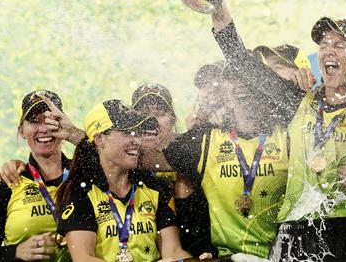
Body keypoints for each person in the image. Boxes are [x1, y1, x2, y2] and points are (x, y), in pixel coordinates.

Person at [198, 0, 346, 261]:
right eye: (322, 45)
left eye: (339, 45)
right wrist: (217, 2)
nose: (327, 51)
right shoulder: (299, 103)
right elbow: (241, 60)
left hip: (344, 231)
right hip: (290, 232)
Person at [139, 62, 291, 259]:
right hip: (226, 257)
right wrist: (93, 144)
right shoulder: (205, 138)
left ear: (262, 84)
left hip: (280, 256)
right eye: (232, 79)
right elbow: (143, 159)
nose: (240, 85)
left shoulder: (289, 134)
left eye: (246, 78)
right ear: (226, 91)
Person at [56, 99, 191, 261]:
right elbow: (84, 258)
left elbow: (174, 252)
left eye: (137, 132)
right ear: (99, 139)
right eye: (127, 132)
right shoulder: (80, 193)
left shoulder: (154, 188)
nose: (137, 140)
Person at [0, 90, 72, 261]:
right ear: (22, 131)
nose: (44, 129)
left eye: (51, 120)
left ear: (63, 125)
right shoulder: (8, 182)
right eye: (34, 122)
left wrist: (73, 134)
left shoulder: (83, 175)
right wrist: (15, 252)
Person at [131, 83, 214, 258]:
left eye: (160, 114)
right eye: (144, 114)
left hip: (197, 252)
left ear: (173, 119)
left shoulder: (193, 154)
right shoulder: (123, 165)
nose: (151, 120)